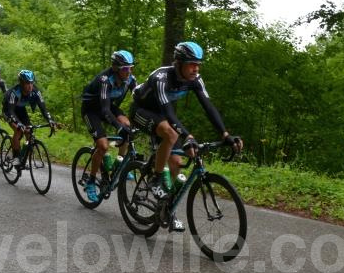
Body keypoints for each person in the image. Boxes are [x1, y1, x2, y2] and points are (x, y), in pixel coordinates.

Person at [131, 41, 242, 225]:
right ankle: (155, 179)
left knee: (176, 163)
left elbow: (209, 107)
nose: (196, 69)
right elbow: (168, 113)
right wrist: (187, 136)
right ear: (179, 63)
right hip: (141, 111)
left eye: (198, 64)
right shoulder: (161, 78)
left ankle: (165, 206)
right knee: (171, 134)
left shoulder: (195, 80)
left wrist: (225, 134)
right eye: (192, 64)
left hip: (162, 115)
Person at [80, 50, 137, 201]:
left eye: (131, 67)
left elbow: (139, 100)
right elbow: (104, 111)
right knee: (103, 146)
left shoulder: (130, 79)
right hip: (91, 110)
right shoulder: (105, 80)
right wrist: (118, 127)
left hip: (108, 106)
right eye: (125, 68)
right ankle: (91, 181)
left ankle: (119, 162)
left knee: (127, 125)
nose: (129, 71)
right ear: (116, 68)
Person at [3, 70, 55, 169]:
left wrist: (50, 120)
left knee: (29, 133)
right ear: (21, 83)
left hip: (20, 109)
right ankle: (16, 158)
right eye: (27, 83)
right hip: (9, 111)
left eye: (32, 82)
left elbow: (43, 108)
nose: (30, 86)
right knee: (18, 131)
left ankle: (23, 157)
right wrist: (19, 124)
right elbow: (10, 111)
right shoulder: (14, 93)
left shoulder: (36, 91)